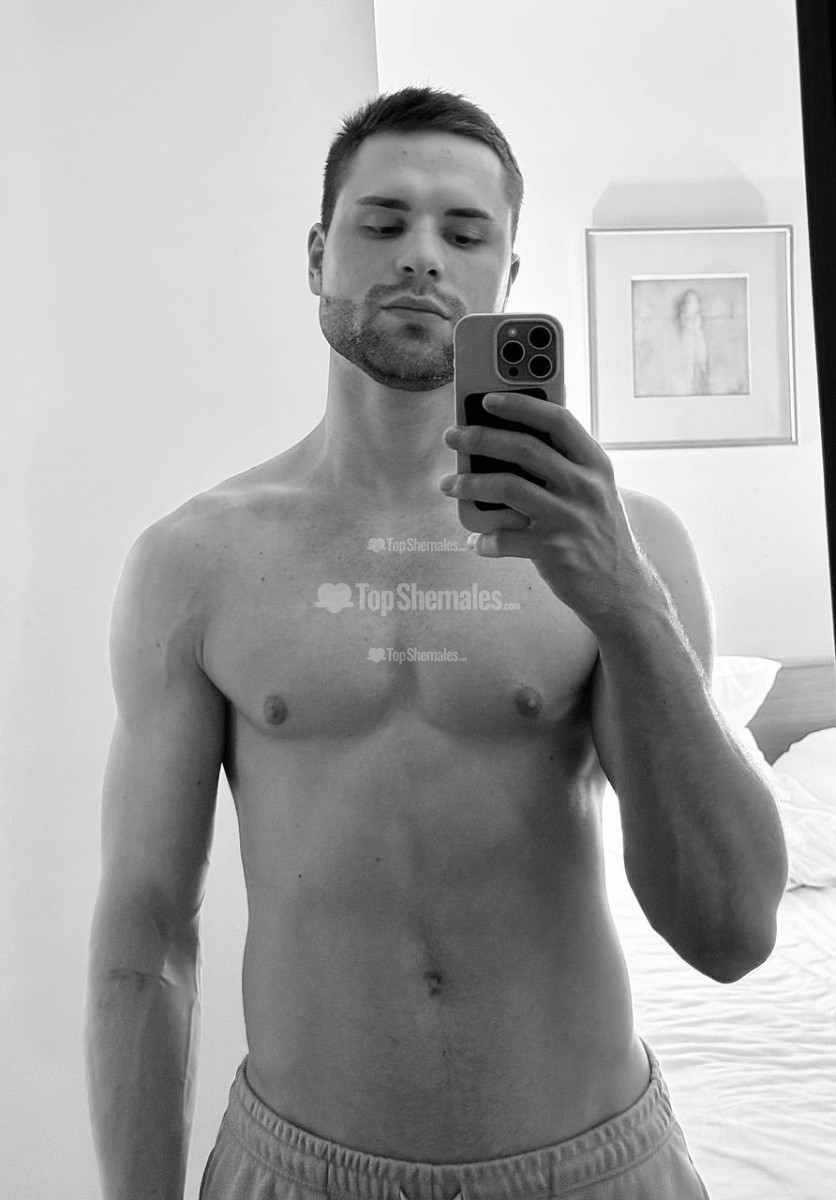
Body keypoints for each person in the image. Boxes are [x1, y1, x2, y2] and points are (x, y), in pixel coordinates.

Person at [84, 85, 788, 1200]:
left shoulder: (628, 543)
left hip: (594, 1164)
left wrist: (621, 598)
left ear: (507, 278)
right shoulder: (195, 561)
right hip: (297, 1169)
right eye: (383, 221)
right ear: (317, 255)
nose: (421, 254)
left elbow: (732, 930)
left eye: (464, 233)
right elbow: (145, 935)